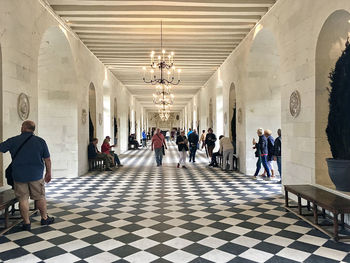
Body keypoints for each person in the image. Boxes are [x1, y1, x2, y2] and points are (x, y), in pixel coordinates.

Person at [0, 121, 54, 231]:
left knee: (23, 199)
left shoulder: (13, 140)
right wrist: (48, 172)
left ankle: (26, 223)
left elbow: (1, 148)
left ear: (24, 128)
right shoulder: (40, 141)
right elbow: (47, 159)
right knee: (40, 197)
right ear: (33, 129)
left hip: (19, 175)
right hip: (36, 175)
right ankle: (44, 218)